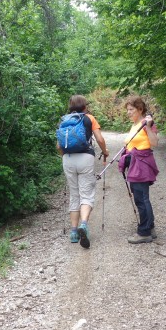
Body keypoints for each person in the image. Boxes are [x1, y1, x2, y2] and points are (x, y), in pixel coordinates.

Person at [57, 95, 108, 248]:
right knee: (86, 193)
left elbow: (59, 146)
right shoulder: (89, 118)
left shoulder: (64, 120)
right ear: (85, 106)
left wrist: (66, 156)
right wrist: (105, 152)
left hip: (68, 158)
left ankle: (73, 232)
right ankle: (84, 224)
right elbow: (99, 139)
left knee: (74, 194)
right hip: (86, 157)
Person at [118, 96, 159, 244]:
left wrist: (148, 126)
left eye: (131, 109)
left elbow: (154, 142)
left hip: (142, 165)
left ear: (140, 109)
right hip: (135, 164)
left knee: (141, 198)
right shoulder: (135, 124)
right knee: (141, 197)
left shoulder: (145, 124)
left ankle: (144, 232)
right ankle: (150, 227)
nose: (128, 112)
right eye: (127, 110)